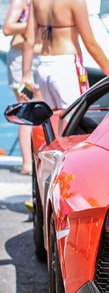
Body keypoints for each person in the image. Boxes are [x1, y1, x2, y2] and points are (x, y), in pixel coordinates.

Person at [20, 0, 109, 110]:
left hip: (43, 66)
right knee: (76, 117)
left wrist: (26, 77)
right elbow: (90, 45)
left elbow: (28, 39)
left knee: (53, 121)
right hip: (66, 66)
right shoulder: (75, 2)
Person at [3, 0, 40, 175]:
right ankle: (27, 163)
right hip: (20, 58)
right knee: (27, 109)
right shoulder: (22, 1)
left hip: (36, 57)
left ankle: (34, 159)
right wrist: (32, 23)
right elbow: (7, 28)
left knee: (40, 108)